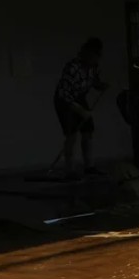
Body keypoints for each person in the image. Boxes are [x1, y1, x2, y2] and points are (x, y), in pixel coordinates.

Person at [53, 37, 107, 178]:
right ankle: (69, 170)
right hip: (64, 101)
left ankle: (89, 166)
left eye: (98, 56)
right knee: (71, 134)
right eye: (94, 55)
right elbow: (64, 94)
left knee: (88, 131)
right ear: (86, 53)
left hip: (80, 98)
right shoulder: (72, 67)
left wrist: (101, 86)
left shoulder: (93, 67)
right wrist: (80, 110)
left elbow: (94, 82)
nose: (96, 59)